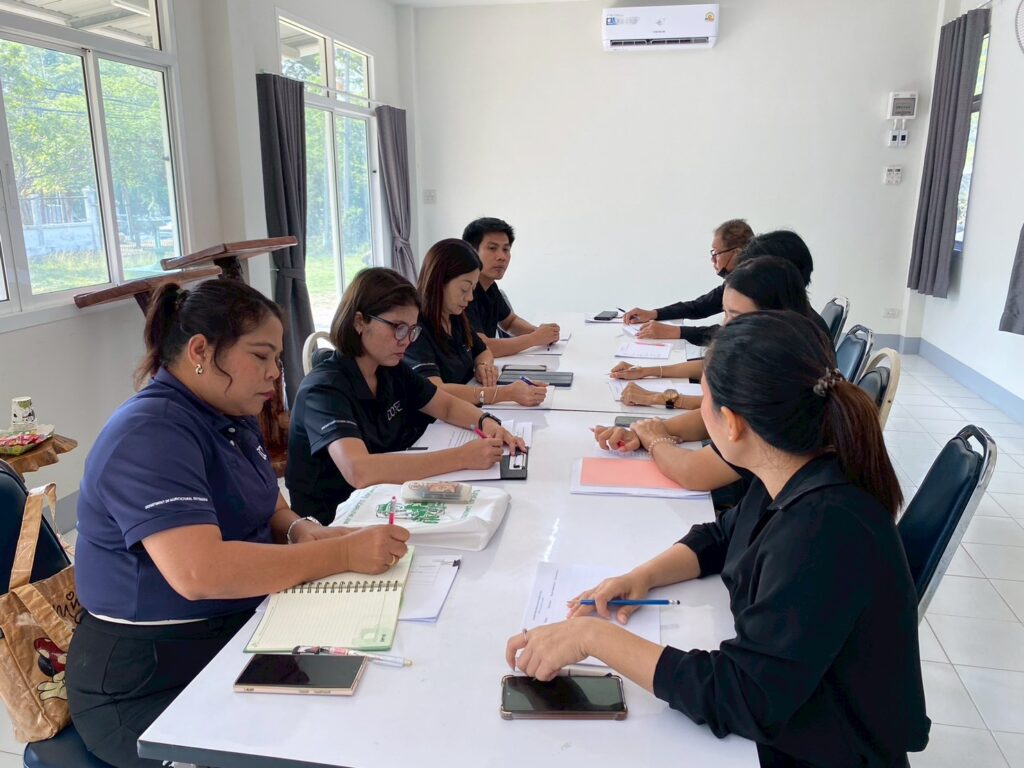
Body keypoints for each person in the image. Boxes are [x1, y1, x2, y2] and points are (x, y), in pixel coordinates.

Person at [507, 311, 930, 767]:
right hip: (799, 711)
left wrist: (593, 637)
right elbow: (722, 536)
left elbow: (742, 695)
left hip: (825, 748)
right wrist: (642, 577)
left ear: (730, 423)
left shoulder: (824, 529)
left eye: (704, 402)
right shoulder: (789, 471)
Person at [67, 279, 410, 768]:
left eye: (277, 358)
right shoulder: (150, 432)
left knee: (368, 700)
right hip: (149, 676)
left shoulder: (229, 409)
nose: (275, 373)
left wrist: (299, 529)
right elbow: (200, 573)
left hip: (232, 630)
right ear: (201, 351)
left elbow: (267, 503)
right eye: (261, 356)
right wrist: (341, 553)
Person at [287, 266, 526, 525]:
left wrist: (487, 422)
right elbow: (360, 472)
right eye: (398, 328)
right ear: (359, 322)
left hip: (385, 499)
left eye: (412, 330)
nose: (407, 341)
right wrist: (461, 457)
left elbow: (445, 405)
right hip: (336, 521)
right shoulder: (323, 390)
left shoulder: (389, 368)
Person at [611, 256, 825, 407]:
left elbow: (718, 414)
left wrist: (656, 401)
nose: (725, 325)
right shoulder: (771, 346)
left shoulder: (777, 369)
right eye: (726, 313)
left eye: (735, 315)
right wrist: (647, 371)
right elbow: (711, 371)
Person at [405, 238, 548, 408]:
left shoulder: (455, 317)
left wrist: (483, 366)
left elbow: (483, 350)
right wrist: (505, 393)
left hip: (465, 409)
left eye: (472, 290)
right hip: (436, 419)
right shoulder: (415, 328)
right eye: (464, 289)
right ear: (439, 282)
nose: (470, 298)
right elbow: (435, 390)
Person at [622, 219, 753, 343]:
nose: (712, 259)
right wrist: (653, 313)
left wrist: (675, 331)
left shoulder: (754, 284)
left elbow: (737, 334)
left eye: (716, 253)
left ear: (736, 253)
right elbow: (698, 307)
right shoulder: (736, 280)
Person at [462, 217, 562, 356]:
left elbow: (510, 322)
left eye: (506, 249)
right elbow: (482, 346)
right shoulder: (463, 292)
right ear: (471, 251)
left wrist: (540, 333)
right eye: (492, 248)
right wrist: (534, 338)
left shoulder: (490, 287)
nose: (502, 256)